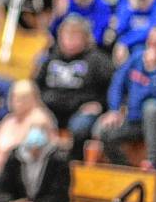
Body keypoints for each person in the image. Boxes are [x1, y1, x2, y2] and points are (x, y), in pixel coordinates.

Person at [95, 25, 156, 171]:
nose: (154, 47)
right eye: (151, 42)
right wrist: (114, 109)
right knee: (105, 131)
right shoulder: (136, 59)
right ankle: (127, 170)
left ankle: (153, 163)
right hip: (137, 121)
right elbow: (117, 84)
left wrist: (153, 71)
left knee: (151, 107)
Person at [35, 15, 114, 161]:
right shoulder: (51, 58)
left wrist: (102, 105)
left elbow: (113, 86)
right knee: (33, 125)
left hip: (80, 111)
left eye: (75, 34)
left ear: (86, 38)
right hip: (51, 109)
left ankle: (71, 166)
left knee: (79, 128)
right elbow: (36, 86)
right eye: (66, 34)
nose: (70, 39)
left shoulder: (97, 60)